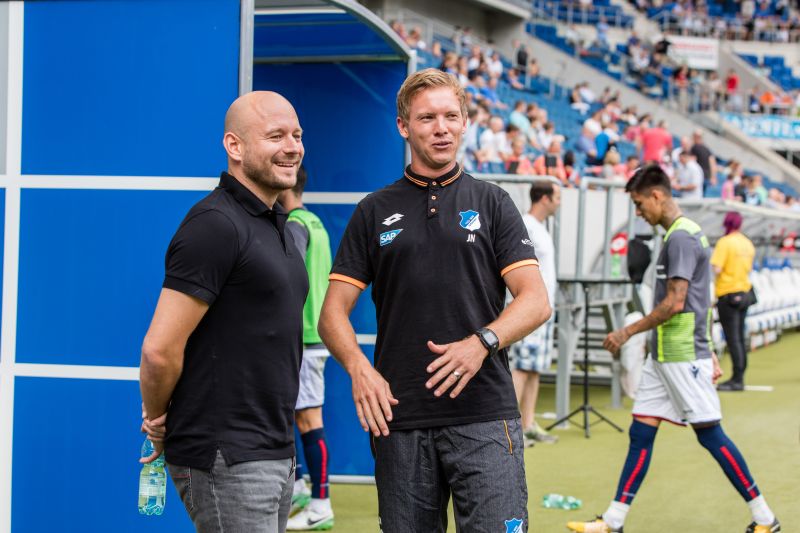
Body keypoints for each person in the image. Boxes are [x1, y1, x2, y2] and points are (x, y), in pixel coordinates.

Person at [318, 68, 552, 532]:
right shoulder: (374, 210)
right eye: (427, 118)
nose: (440, 128)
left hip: (485, 414)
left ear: (465, 122)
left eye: (450, 116)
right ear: (404, 126)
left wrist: (480, 342)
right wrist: (360, 370)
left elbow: (535, 301)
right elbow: (331, 314)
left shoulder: (493, 202)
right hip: (400, 417)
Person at [567, 164, 780, 533]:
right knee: (640, 433)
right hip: (665, 356)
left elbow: (675, 303)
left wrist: (626, 332)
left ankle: (765, 518)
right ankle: (613, 521)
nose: (637, 213)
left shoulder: (681, 238)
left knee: (710, 434)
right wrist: (709, 346)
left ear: (657, 196)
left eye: (638, 204)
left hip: (681, 355)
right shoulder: (684, 234)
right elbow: (704, 297)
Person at [139, 91, 308, 532]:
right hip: (227, 454)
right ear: (235, 147)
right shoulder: (214, 224)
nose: (292, 146)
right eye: (276, 136)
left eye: (296, 134)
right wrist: (157, 418)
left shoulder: (281, 229)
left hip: (276, 448)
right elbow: (159, 350)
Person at [278, 167, 336, 531]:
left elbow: (289, 277)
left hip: (305, 338)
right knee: (294, 417)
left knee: (309, 420)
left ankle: (321, 503)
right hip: (310, 336)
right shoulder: (315, 221)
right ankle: (301, 489)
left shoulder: (294, 225)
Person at [510, 181, 561, 447]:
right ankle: (511, 427)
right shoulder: (527, 225)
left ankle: (528, 424)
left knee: (535, 368)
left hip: (544, 310)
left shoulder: (540, 228)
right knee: (521, 366)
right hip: (527, 309)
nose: (559, 202)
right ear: (544, 198)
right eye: (557, 197)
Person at [712, 212, 756, 392]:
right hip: (745, 292)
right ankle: (740, 375)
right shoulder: (747, 243)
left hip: (728, 293)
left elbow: (717, 268)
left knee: (733, 338)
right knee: (739, 335)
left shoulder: (725, 242)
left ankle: (737, 379)